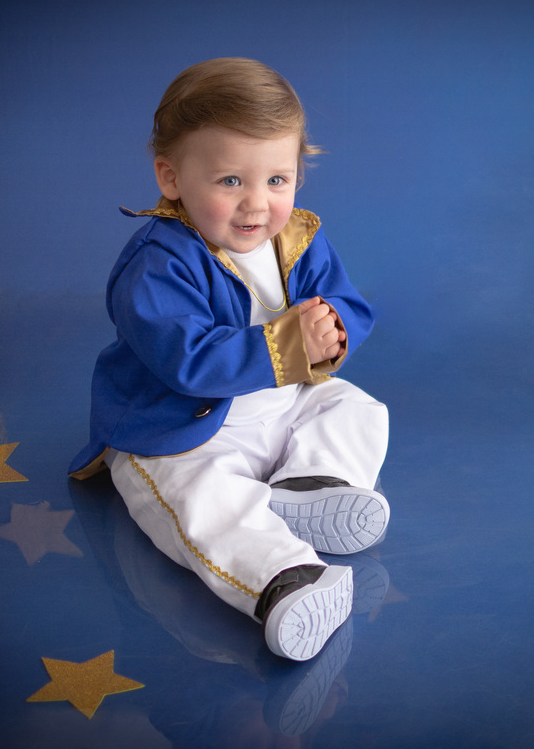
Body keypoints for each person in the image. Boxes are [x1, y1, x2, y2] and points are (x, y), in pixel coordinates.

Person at [69, 57, 390, 661]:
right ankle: (285, 580)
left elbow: (347, 299)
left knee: (355, 407)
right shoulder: (158, 262)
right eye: (230, 181)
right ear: (171, 177)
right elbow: (185, 360)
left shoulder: (298, 237)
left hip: (279, 405)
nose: (256, 205)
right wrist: (292, 344)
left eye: (277, 180)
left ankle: (313, 482)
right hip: (178, 429)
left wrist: (334, 326)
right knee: (203, 501)